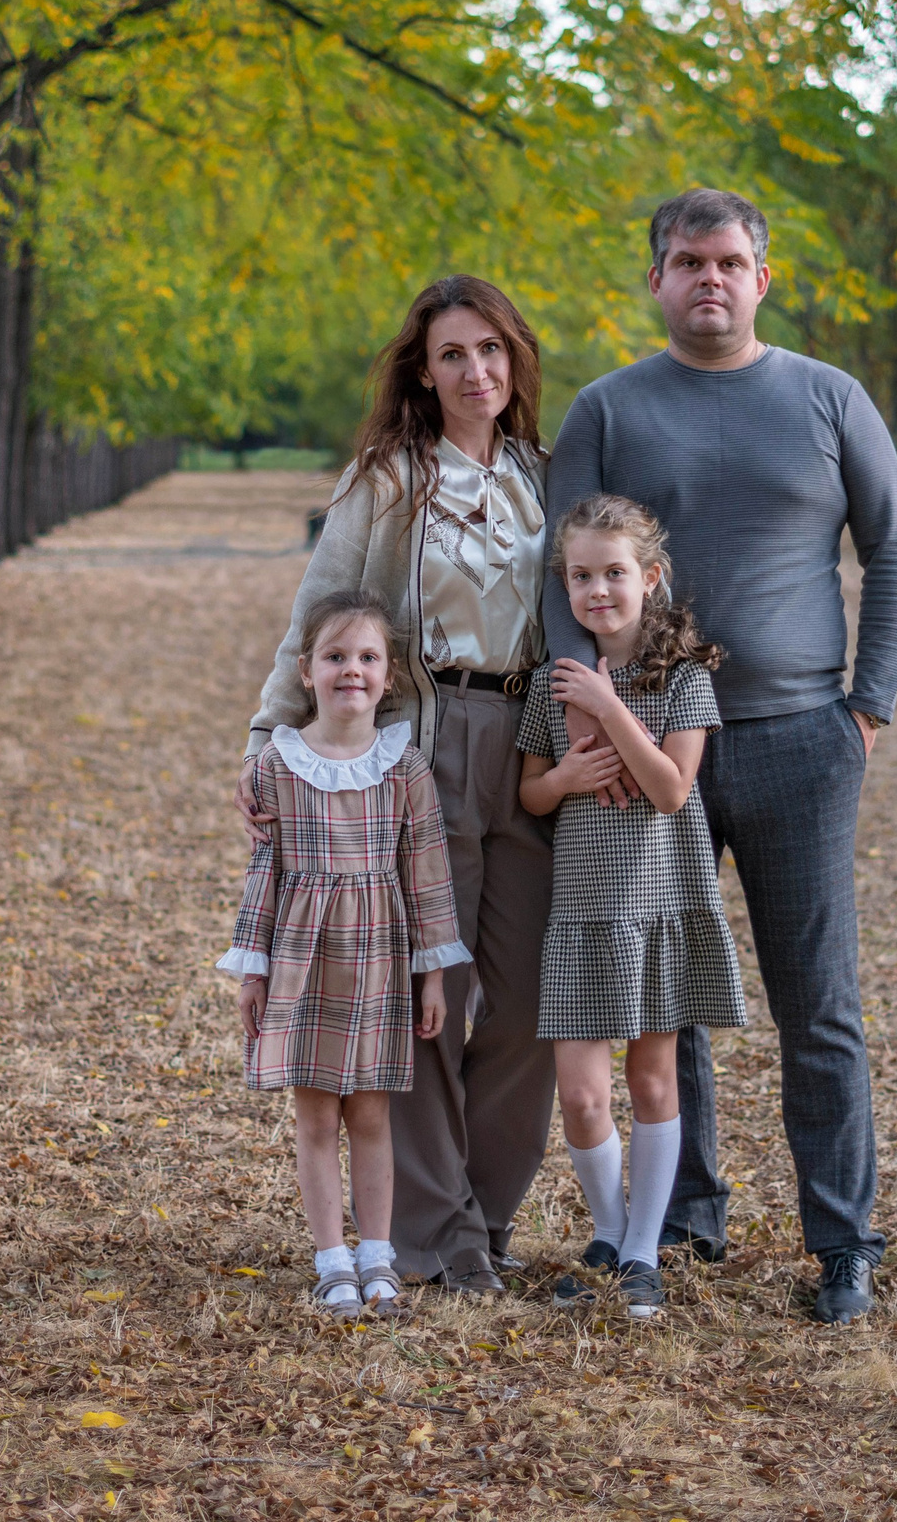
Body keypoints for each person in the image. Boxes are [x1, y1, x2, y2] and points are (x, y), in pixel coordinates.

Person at [544, 186, 897, 1326]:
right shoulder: (608, 409)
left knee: (818, 1003)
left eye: (729, 261)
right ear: (654, 280)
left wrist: (866, 707)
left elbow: (892, 550)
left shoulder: (826, 397)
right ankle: (681, 1223)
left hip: (804, 739)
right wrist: (590, 718)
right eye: (686, 261)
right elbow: (557, 578)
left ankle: (842, 1243)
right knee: (667, 995)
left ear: (761, 278)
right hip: (652, 751)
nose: (708, 278)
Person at [238, 276, 556, 1293]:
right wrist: (267, 738)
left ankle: (487, 1214)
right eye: (453, 354)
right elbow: (319, 611)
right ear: (423, 372)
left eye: (492, 350)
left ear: (516, 359)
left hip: (535, 741)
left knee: (529, 1002)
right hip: (423, 741)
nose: (477, 371)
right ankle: (435, 1236)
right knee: (430, 992)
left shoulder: (543, 475)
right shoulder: (387, 480)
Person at [516, 494, 746, 1319]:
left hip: (658, 904)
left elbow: (672, 788)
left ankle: (645, 1250)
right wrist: (565, 779)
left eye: (614, 573)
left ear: (649, 578)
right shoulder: (553, 682)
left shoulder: (682, 679)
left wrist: (611, 709)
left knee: (652, 1078)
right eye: (580, 576)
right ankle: (609, 1235)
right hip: (581, 911)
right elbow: (533, 794)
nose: (597, 590)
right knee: (580, 1091)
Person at [220, 590, 469, 1314]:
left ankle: (378, 1254)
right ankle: (331, 1257)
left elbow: (426, 874)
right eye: (335, 656)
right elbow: (263, 871)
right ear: (306, 670)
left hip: (380, 962)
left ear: (389, 675)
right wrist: (252, 966)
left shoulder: (404, 767)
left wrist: (432, 974)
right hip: (304, 958)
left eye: (367, 657)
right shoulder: (278, 766)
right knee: (317, 1115)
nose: (350, 670)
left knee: (372, 1115)